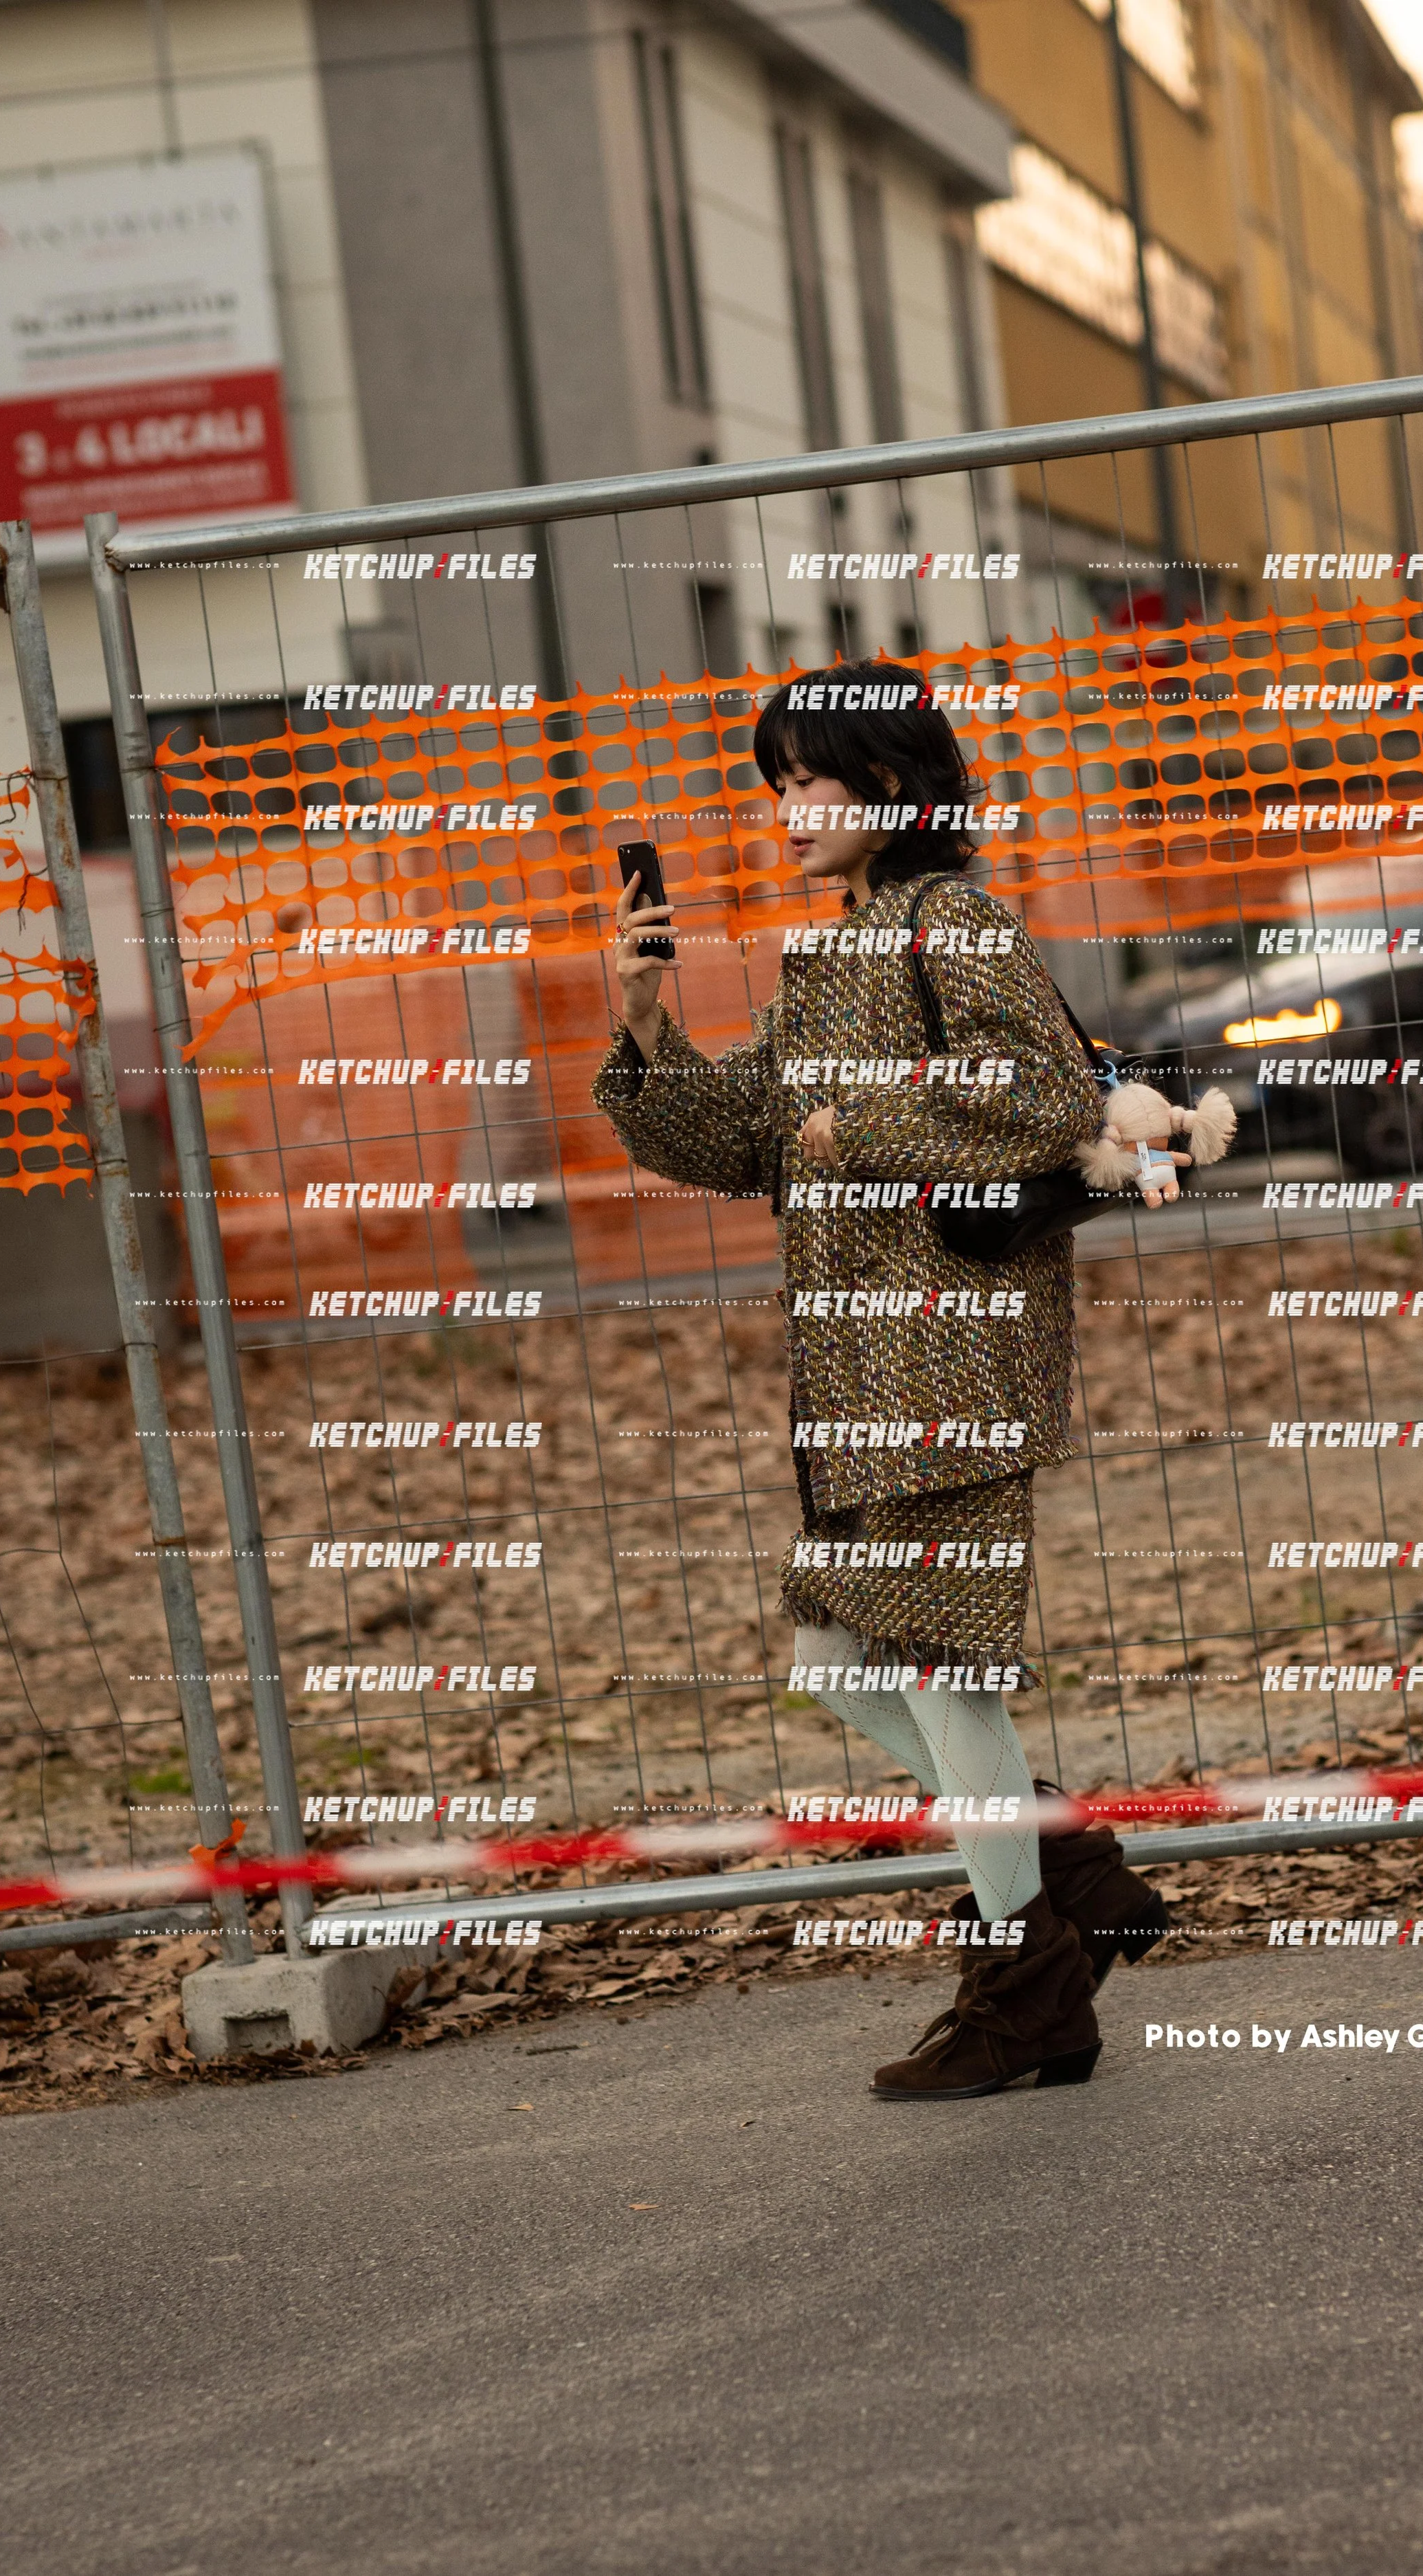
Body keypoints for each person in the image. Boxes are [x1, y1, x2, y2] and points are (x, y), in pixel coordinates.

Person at [592, 658, 1171, 2099]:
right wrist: (650, 1028)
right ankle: (1067, 1872)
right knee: (837, 1662)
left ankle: (1024, 1981)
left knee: (932, 1664)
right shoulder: (839, 945)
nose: (786, 808)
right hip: (861, 1364)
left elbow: (1044, 1094)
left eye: (811, 779)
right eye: (775, 782)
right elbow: (744, 1138)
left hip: (955, 1350)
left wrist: (864, 1126)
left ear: (896, 786)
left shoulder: (954, 918)